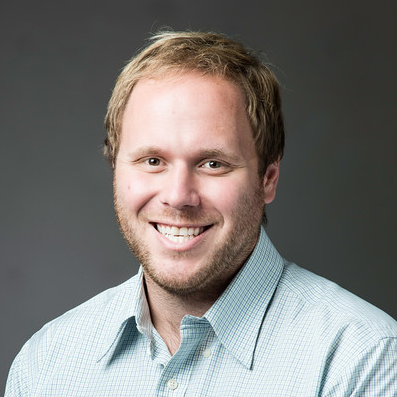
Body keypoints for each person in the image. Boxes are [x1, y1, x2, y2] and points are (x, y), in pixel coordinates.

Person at [5, 31, 397, 396]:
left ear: (268, 180)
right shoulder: (45, 366)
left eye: (213, 164)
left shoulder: (362, 361)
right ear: (115, 169)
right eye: (152, 160)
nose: (178, 197)